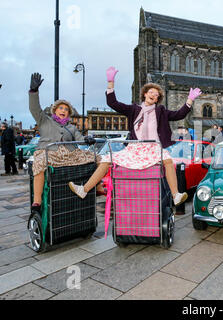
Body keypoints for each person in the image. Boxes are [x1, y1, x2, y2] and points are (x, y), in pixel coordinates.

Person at [68, 66, 202, 206]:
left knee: (168, 160)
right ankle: (84, 189)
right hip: (135, 148)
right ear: (144, 94)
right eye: (151, 92)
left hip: (153, 148)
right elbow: (113, 103)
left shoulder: (161, 111)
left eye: (157, 95)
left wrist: (189, 100)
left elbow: (179, 115)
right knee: (106, 159)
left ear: (157, 99)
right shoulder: (133, 109)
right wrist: (110, 82)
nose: (154, 95)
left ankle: (176, 195)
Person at [28, 73, 102, 214]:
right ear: (55, 110)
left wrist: (88, 139)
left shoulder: (71, 127)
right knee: (40, 162)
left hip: (70, 153)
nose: (64, 111)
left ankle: (97, 187)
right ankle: (37, 201)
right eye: (61, 108)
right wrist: (33, 91)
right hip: (49, 152)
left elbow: (80, 139)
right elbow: (34, 108)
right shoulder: (44, 120)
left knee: (96, 157)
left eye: (66, 109)